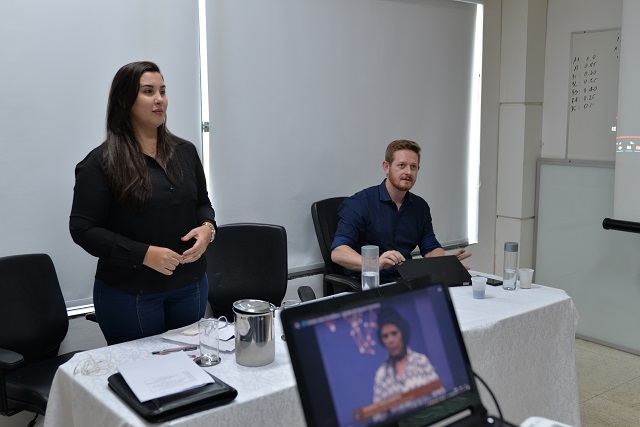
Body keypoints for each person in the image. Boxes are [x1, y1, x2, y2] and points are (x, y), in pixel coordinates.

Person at [69, 61, 216, 345]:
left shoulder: (185, 152)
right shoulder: (100, 162)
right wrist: (143, 254)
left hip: (191, 285)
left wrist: (208, 228)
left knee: (191, 367)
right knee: (141, 370)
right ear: (124, 100)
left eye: (163, 91)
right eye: (148, 91)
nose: (159, 99)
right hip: (130, 294)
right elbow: (83, 229)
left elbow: (202, 203)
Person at [331, 139, 470, 282]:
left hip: (405, 280)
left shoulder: (420, 206)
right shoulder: (360, 203)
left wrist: (444, 264)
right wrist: (375, 264)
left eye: (413, 167)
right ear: (386, 167)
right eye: (401, 165)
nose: (408, 172)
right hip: (368, 283)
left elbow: (431, 247)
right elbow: (338, 252)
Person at [372, 307, 445, 419]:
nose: (390, 340)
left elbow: (441, 396)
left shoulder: (420, 361)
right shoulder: (381, 375)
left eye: (394, 333)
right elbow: (378, 417)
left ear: (403, 333)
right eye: (385, 336)